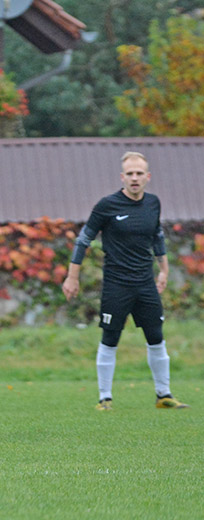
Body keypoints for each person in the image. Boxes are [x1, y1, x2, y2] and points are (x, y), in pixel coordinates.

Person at [62, 151, 189, 411]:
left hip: (145, 284)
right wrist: (72, 276)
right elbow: (83, 240)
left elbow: (157, 237)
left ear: (147, 177)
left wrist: (163, 270)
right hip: (116, 285)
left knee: (156, 337)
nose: (134, 178)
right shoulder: (107, 205)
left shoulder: (153, 203)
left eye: (139, 173)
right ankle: (104, 398)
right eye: (130, 174)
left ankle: (163, 395)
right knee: (110, 338)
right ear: (122, 177)